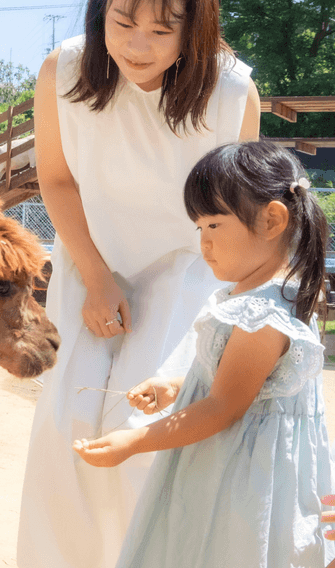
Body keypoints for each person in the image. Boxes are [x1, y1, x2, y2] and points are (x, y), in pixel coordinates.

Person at [16, 0, 260, 568]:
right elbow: (57, 179)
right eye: (122, 24)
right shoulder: (65, 70)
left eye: (161, 30)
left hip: (189, 272)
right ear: (101, 12)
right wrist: (96, 277)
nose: (137, 46)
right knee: (67, 428)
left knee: (149, 438)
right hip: (92, 261)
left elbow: (241, 216)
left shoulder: (231, 92)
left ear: (194, 29)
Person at [73, 141, 334, 567]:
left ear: (272, 220)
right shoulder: (264, 296)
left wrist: (134, 441)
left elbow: (224, 407)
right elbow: (250, 384)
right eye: (199, 228)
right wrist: (177, 386)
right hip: (239, 468)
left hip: (241, 483)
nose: (204, 242)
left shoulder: (262, 313)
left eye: (214, 224)